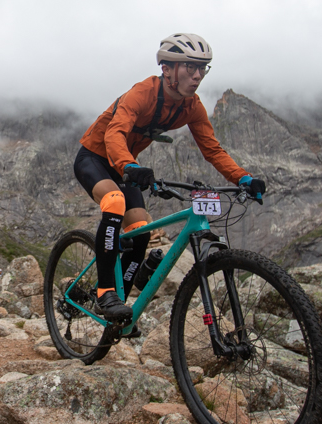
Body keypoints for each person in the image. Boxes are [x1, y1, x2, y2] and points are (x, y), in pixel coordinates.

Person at [73, 33, 266, 323]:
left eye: (203, 68)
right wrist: (129, 165)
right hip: (95, 158)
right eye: (190, 67)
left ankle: (119, 311)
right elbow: (115, 133)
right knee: (114, 202)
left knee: (140, 229)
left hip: (126, 166)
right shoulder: (143, 93)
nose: (198, 75)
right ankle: (104, 292)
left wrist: (243, 178)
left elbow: (212, 150)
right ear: (167, 69)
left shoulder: (192, 106)